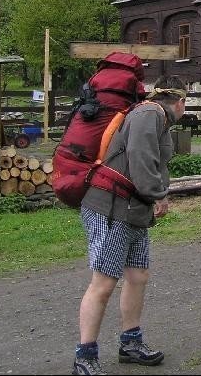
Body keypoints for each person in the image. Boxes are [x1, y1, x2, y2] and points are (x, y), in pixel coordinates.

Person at [73, 76, 187, 375]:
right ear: (180, 102)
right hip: (111, 207)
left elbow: (150, 162)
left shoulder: (153, 116)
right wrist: (159, 195)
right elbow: (141, 158)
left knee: (137, 275)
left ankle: (130, 343)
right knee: (104, 283)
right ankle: (84, 356)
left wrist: (153, 197)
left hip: (133, 208)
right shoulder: (150, 114)